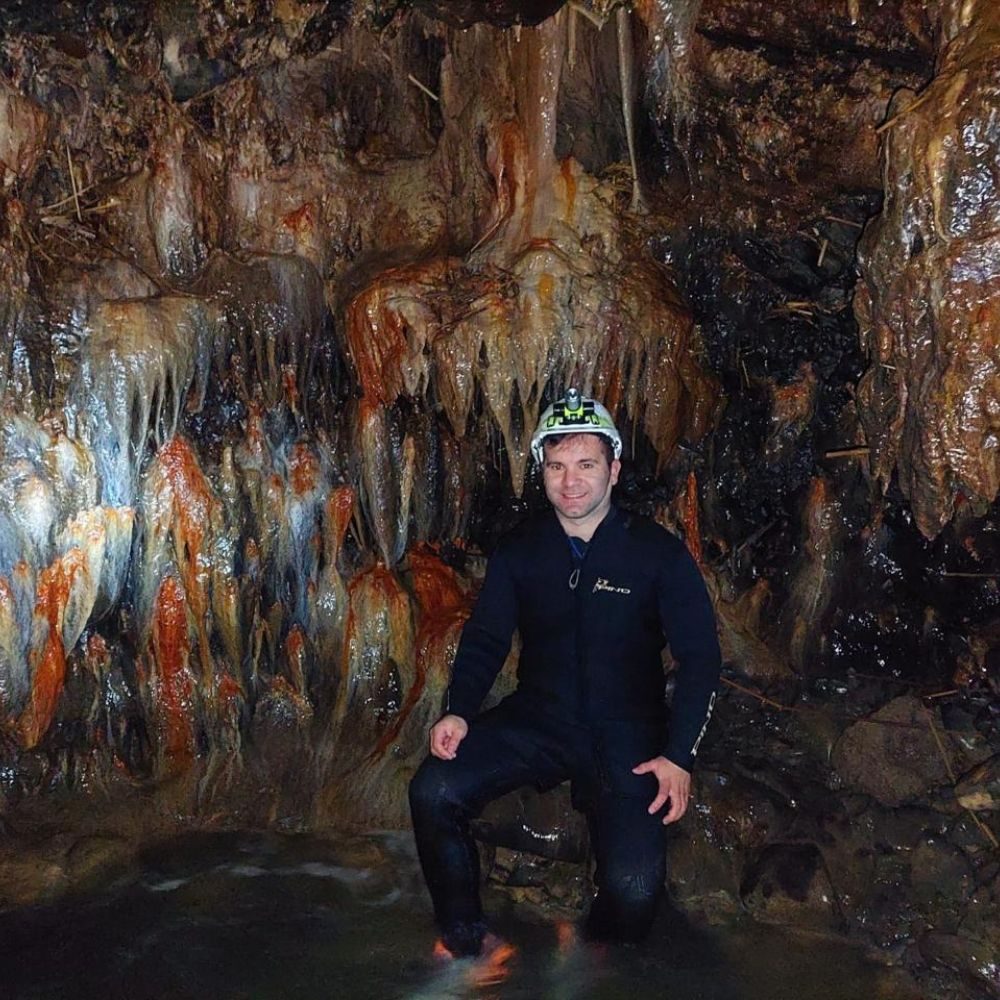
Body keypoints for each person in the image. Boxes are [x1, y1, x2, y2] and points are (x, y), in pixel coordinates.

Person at [408, 388, 721, 957]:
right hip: (539, 718)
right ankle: (466, 942)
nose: (570, 481)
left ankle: (587, 951)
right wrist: (458, 709)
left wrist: (679, 757)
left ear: (614, 468)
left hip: (627, 731)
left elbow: (701, 659)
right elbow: (485, 639)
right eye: (556, 466)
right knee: (433, 789)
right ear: (542, 470)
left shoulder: (657, 554)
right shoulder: (522, 551)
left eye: (585, 465)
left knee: (633, 892)